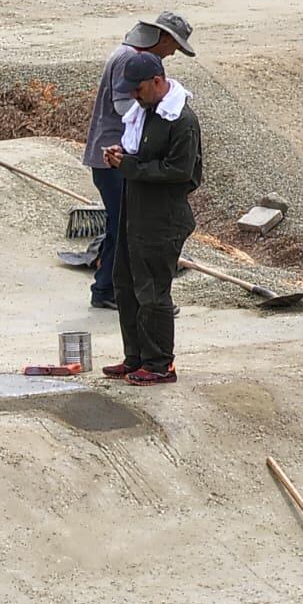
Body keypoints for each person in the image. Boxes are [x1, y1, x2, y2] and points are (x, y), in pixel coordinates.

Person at [100, 52, 202, 386]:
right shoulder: (145, 111)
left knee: (153, 292)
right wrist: (122, 154)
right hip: (136, 214)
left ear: (157, 81)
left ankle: (160, 364)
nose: (134, 95)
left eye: (138, 88)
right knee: (126, 285)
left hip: (162, 220)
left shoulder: (182, 121)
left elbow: (181, 172)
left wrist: (129, 167)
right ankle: (136, 358)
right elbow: (141, 155)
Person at [82, 11, 196, 310]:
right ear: (164, 38)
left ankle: (113, 288)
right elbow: (124, 107)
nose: (172, 53)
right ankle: (109, 289)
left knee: (124, 226)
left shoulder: (135, 58)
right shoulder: (129, 61)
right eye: (174, 46)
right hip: (115, 158)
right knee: (126, 228)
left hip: (120, 157)